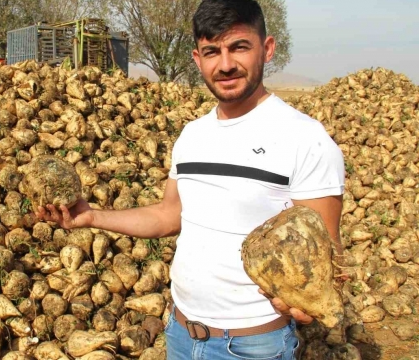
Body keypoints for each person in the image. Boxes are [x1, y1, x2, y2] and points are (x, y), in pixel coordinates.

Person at [35, 0, 345, 358]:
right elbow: (169, 216)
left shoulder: (306, 139)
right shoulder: (192, 135)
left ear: (268, 49)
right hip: (181, 335)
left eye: (239, 47)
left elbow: (325, 255)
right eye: (212, 52)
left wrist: (307, 302)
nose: (225, 64)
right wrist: (92, 217)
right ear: (198, 59)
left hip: (252, 345)